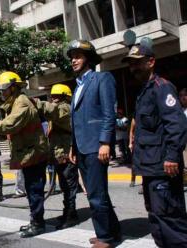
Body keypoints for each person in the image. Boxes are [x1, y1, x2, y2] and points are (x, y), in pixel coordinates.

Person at [123, 44, 187, 247]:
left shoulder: (162, 87)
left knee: (171, 220)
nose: (133, 68)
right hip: (150, 168)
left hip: (163, 168)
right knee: (157, 218)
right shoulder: (143, 92)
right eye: (131, 64)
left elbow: (176, 125)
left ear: (151, 62)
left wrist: (172, 156)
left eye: (137, 63)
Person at [0, 71, 49, 238]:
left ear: (14, 87)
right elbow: (10, 130)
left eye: (4, 89)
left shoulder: (21, 103)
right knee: (31, 190)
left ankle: (38, 224)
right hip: (28, 153)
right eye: (0, 90)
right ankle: (35, 221)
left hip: (34, 154)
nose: (1, 93)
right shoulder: (14, 103)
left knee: (34, 190)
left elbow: (10, 125)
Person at [67, 40, 121, 248]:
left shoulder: (102, 78)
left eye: (78, 56)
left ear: (88, 58)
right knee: (97, 193)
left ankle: (105, 238)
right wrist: (73, 146)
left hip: (96, 146)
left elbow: (109, 113)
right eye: (72, 57)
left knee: (96, 195)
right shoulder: (77, 87)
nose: (73, 60)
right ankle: (112, 231)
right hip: (81, 148)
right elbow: (77, 121)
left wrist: (105, 142)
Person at [35, 84, 79, 230]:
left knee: (68, 186)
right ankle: (68, 212)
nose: (53, 99)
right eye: (52, 96)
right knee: (65, 186)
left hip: (67, 154)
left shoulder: (65, 108)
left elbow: (53, 110)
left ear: (65, 97)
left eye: (57, 96)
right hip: (59, 154)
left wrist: (37, 103)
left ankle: (71, 215)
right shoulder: (57, 110)